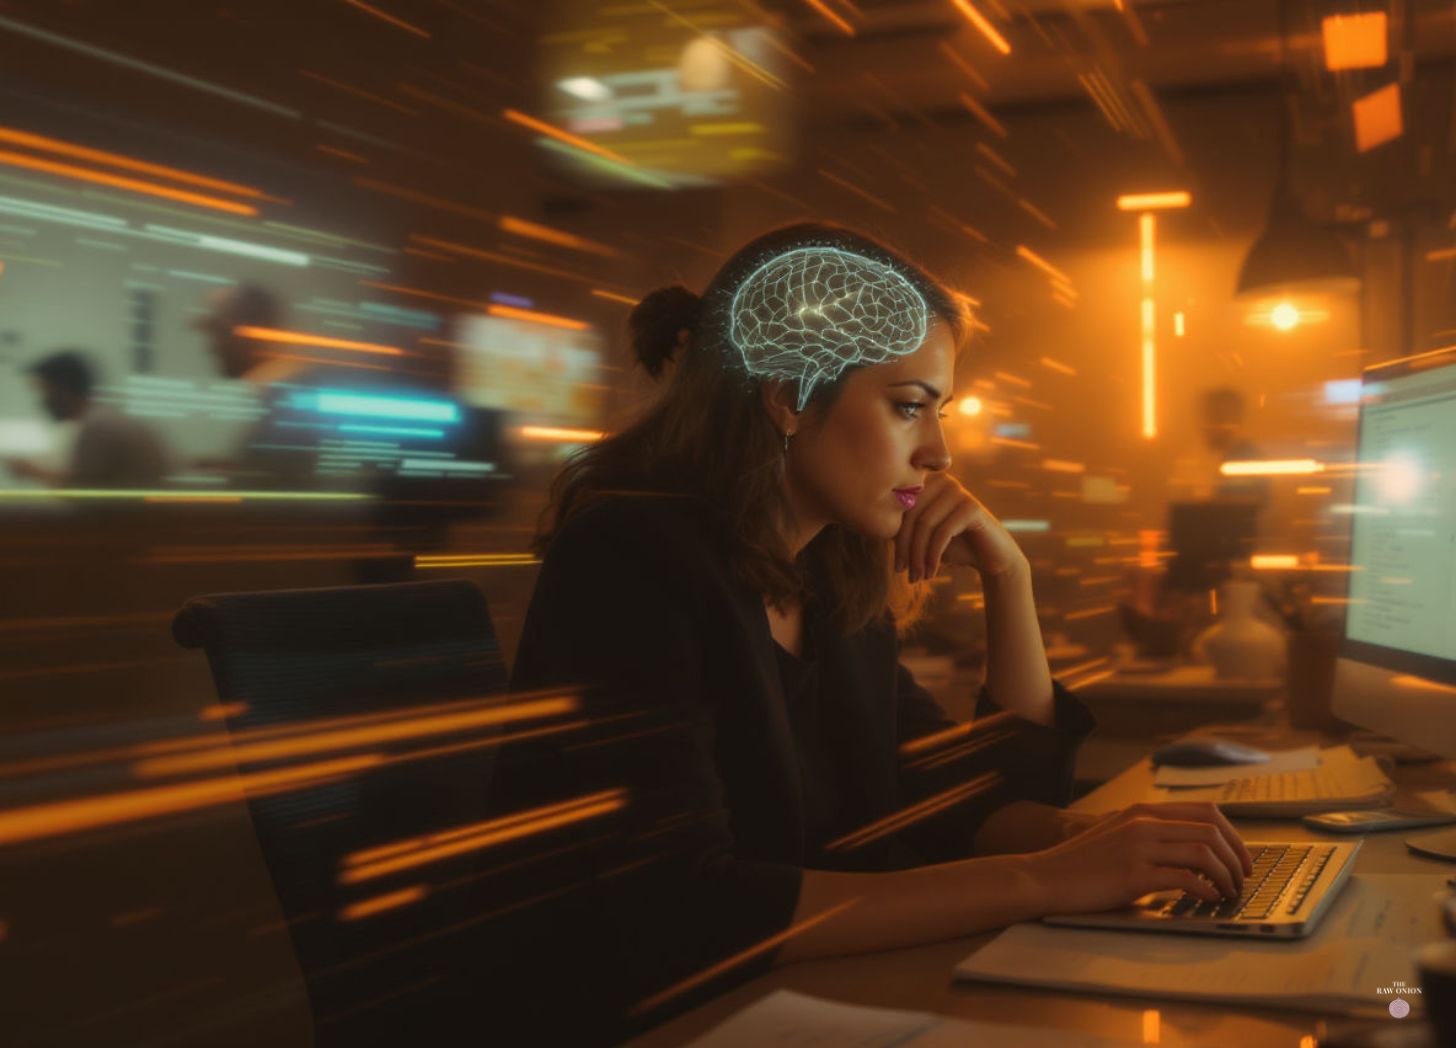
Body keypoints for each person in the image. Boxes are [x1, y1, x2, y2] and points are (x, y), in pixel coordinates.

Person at [508, 224, 1252, 1034]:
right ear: (790, 395)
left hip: (793, 1008)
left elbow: (961, 801)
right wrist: (1047, 878)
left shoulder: (830, 577)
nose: (938, 452)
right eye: (908, 408)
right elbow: (686, 907)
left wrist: (1013, 583)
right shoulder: (627, 558)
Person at [4, 349, 166, 488]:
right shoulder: (106, 418)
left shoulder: (98, 426)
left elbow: (83, 490)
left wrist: (31, 471)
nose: (42, 401)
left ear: (63, 390)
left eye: (44, 391)